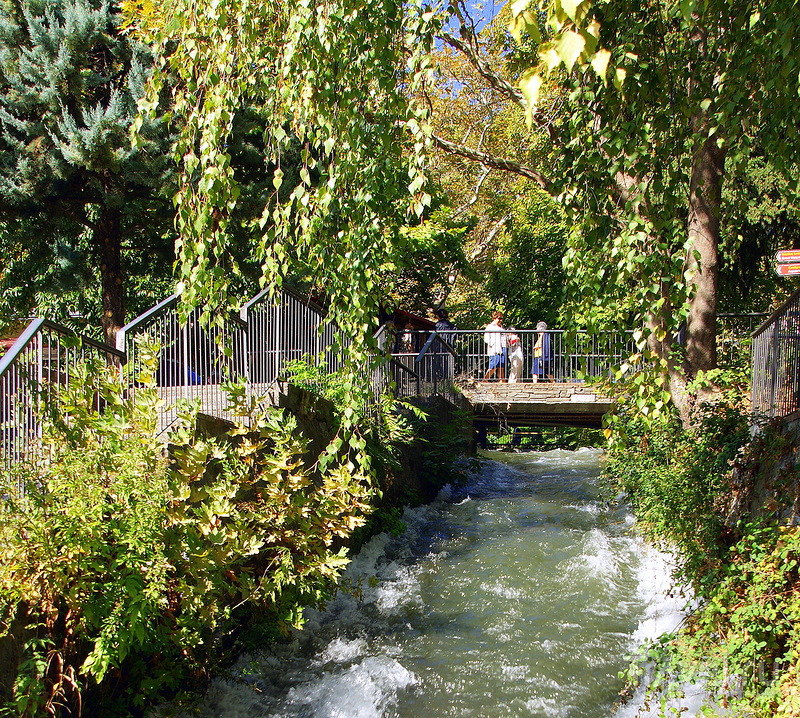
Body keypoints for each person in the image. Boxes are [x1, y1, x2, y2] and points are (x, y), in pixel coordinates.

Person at [434, 308, 457, 380]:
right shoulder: (451, 326)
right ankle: (449, 377)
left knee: (440, 361)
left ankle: (441, 377)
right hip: (449, 346)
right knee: (449, 361)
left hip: (439, 347)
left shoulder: (438, 325)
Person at [483, 310, 506, 381]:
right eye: (499, 318)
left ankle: (502, 380)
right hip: (494, 349)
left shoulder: (502, 327)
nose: (500, 320)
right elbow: (486, 338)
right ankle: (485, 379)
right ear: (494, 318)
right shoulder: (490, 327)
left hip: (503, 347)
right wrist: (492, 344)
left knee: (501, 365)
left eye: (501, 318)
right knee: (493, 365)